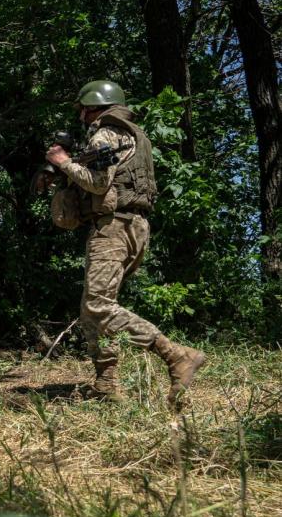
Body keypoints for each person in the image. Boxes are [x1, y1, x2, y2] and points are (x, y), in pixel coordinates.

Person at [46, 79, 206, 409]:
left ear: (91, 107)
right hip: (134, 226)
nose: (81, 116)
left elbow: (98, 182)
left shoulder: (105, 132)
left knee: (98, 306)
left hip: (114, 227)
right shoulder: (130, 133)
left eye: (82, 109)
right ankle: (105, 386)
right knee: (93, 311)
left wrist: (63, 162)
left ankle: (176, 355)